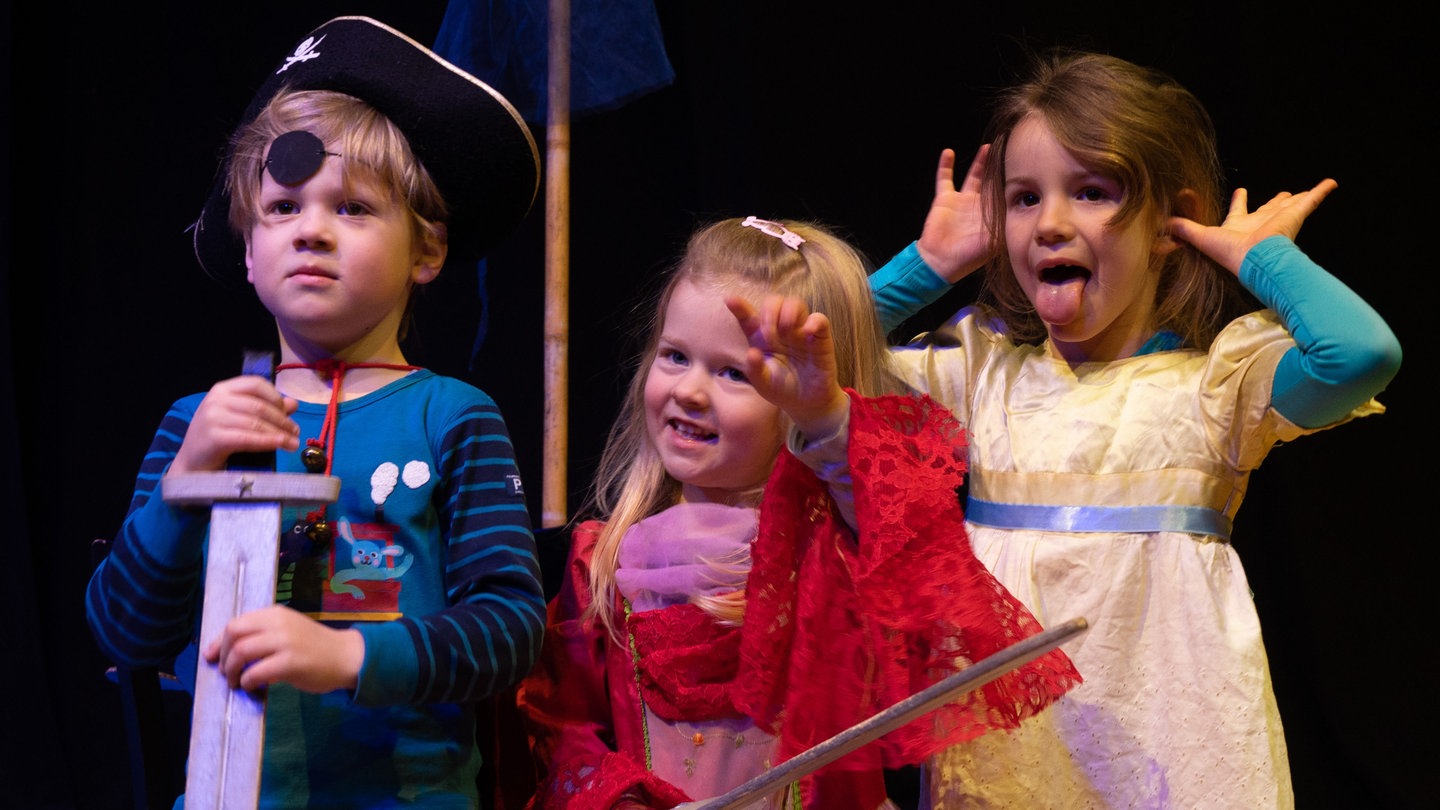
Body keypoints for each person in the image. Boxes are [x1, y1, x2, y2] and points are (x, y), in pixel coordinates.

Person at [867, 50, 1403, 808]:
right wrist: (925, 264)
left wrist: (1262, 259)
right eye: (1023, 199)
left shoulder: (1214, 389)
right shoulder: (982, 377)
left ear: (1165, 225)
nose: (1050, 223)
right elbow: (809, 359)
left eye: (1091, 192)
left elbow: (1362, 354)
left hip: (1174, 754)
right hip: (1010, 766)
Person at [85, 16, 547, 808]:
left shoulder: (452, 416)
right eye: (283, 207)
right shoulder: (199, 422)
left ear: (427, 251)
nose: (312, 232)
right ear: (247, 247)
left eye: (355, 208)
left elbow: (509, 628)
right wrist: (183, 487)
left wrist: (352, 659)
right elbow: (124, 635)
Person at [516, 216, 1082, 810]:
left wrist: (826, 419)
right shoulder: (600, 565)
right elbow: (568, 736)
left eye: (734, 372)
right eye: (675, 356)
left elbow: (907, 550)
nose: (690, 390)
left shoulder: (829, 551)